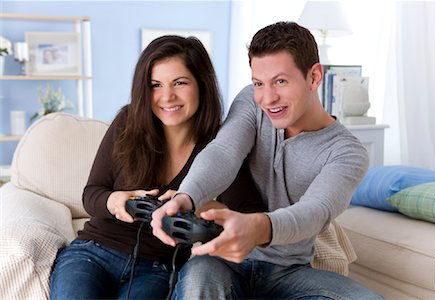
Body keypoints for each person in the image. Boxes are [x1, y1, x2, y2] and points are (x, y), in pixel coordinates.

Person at [152, 22, 384, 299]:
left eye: (281, 81)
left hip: (290, 271)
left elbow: (315, 211)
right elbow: (224, 151)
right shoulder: (251, 101)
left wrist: (257, 228)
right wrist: (186, 197)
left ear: (314, 77)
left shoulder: (347, 152)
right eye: (259, 83)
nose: (268, 97)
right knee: (197, 287)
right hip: (220, 259)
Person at [49, 35, 264, 299]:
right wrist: (115, 201)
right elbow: (92, 193)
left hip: (157, 269)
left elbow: (251, 216)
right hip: (93, 253)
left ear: (201, 84)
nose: (167, 96)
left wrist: (203, 206)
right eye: (155, 85)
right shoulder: (128, 122)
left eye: (180, 83)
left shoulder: (221, 146)